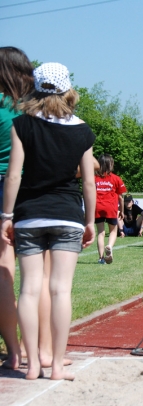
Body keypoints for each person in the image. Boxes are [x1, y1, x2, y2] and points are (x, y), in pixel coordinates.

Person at [2, 62, 96, 380]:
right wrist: (91, 221)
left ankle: (30, 366)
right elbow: (88, 182)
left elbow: (14, 174)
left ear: (36, 89)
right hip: (68, 213)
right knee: (60, 291)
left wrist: (7, 215)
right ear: (68, 90)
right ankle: (56, 365)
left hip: (29, 214)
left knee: (28, 290)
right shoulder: (82, 130)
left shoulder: (21, 125)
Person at [0, 46, 33, 370]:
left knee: (4, 269)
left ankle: (13, 351)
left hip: (4, 186)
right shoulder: (31, 109)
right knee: (35, 272)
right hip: (31, 187)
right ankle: (34, 347)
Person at [95, 154, 125, 264]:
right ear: (111, 164)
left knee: (100, 233)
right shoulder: (116, 178)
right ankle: (109, 246)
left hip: (97, 206)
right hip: (111, 207)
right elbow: (121, 198)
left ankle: (101, 258)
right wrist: (122, 211)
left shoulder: (94, 178)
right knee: (113, 230)